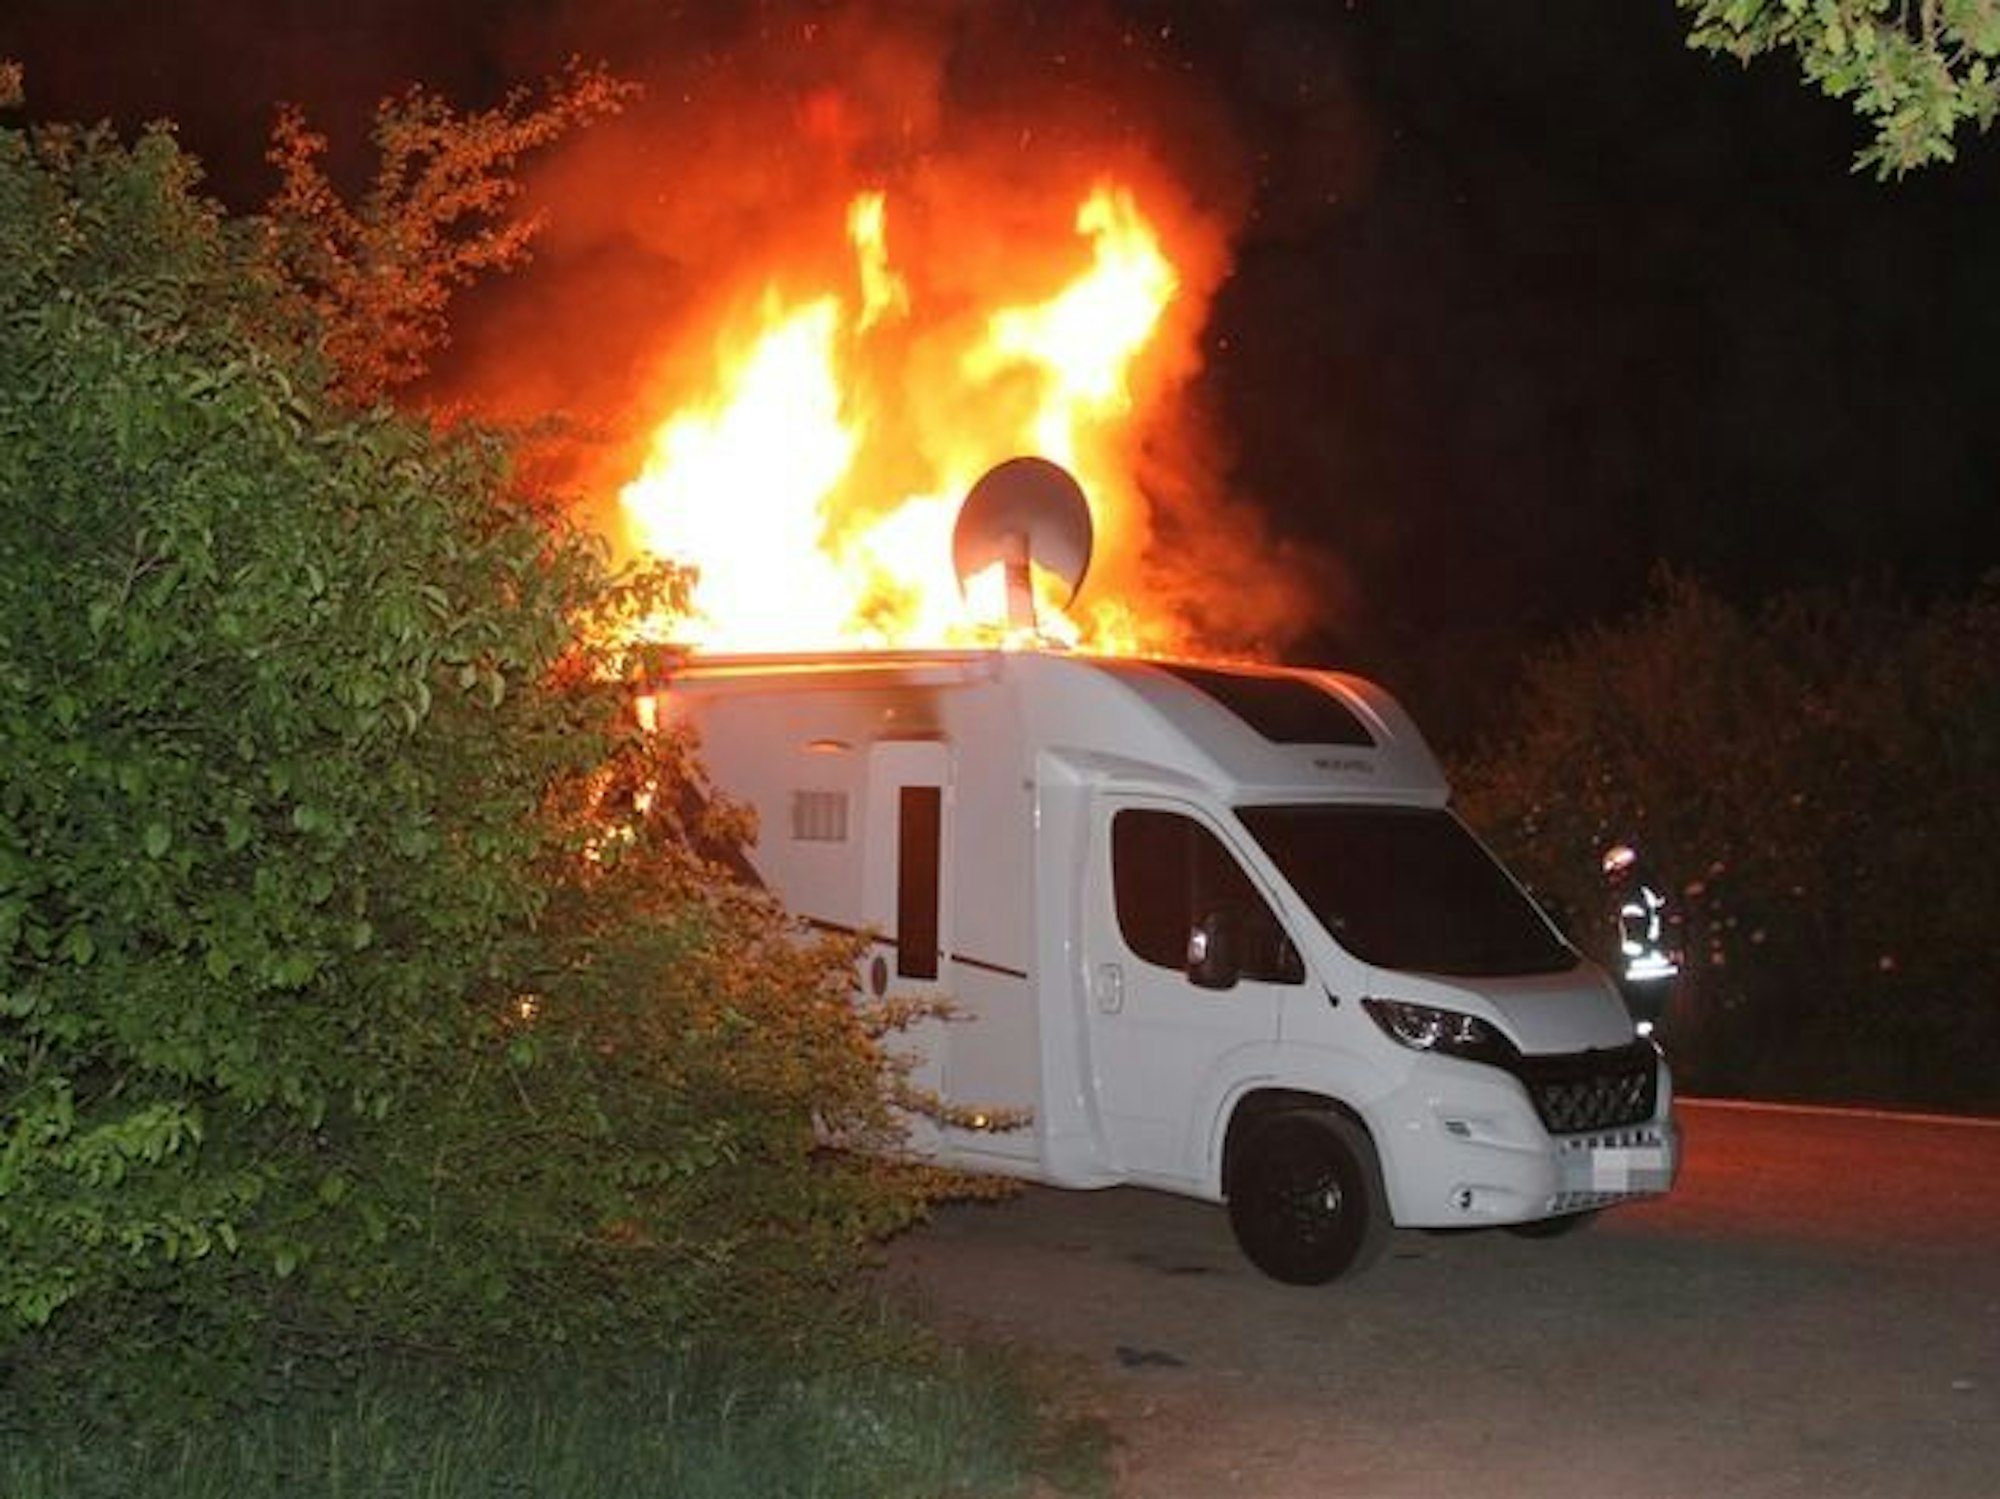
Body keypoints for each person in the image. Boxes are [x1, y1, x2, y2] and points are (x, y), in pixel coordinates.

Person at [1601, 843, 1679, 1033]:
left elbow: (1633, 937)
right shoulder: (1652, 891)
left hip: (1639, 968)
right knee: (1655, 1016)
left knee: (1639, 1020)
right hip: (1659, 965)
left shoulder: (1631, 895)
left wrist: (1622, 956)